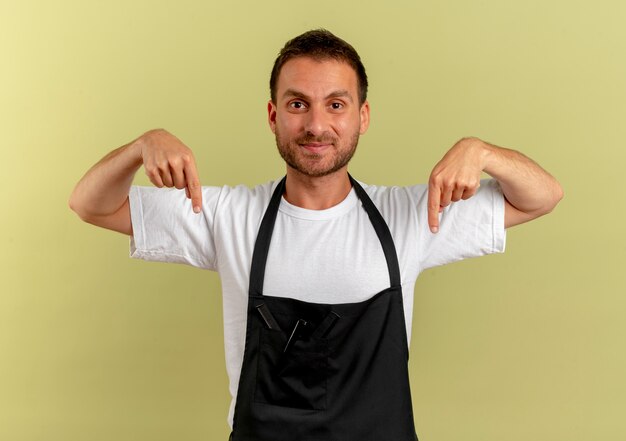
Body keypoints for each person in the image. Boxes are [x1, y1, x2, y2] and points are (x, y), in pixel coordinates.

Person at [69, 29, 563, 441]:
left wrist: (480, 151)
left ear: (362, 117)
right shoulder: (225, 214)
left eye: (336, 104)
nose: (317, 125)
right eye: (298, 103)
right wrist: (142, 145)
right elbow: (90, 203)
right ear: (273, 116)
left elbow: (542, 195)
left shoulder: (411, 216)